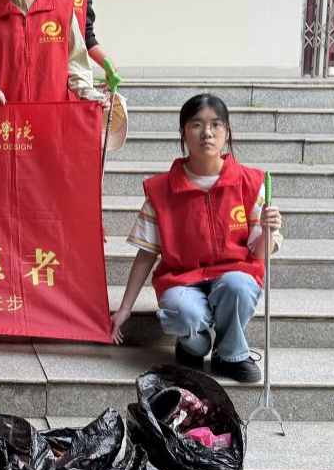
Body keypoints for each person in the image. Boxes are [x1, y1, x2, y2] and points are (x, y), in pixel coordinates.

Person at [110, 94, 283, 383]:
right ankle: (195, 345)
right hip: (181, 280)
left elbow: (259, 255)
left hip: (233, 273)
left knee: (238, 286)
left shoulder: (250, 184)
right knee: (183, 312)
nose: (207, 133)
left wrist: (267, 230)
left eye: (216, 124)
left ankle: (230, 353)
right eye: (197, 124)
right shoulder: (161, 190)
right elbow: (146, 253)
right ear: (183, 133)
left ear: (227, 132)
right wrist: (125, 309)